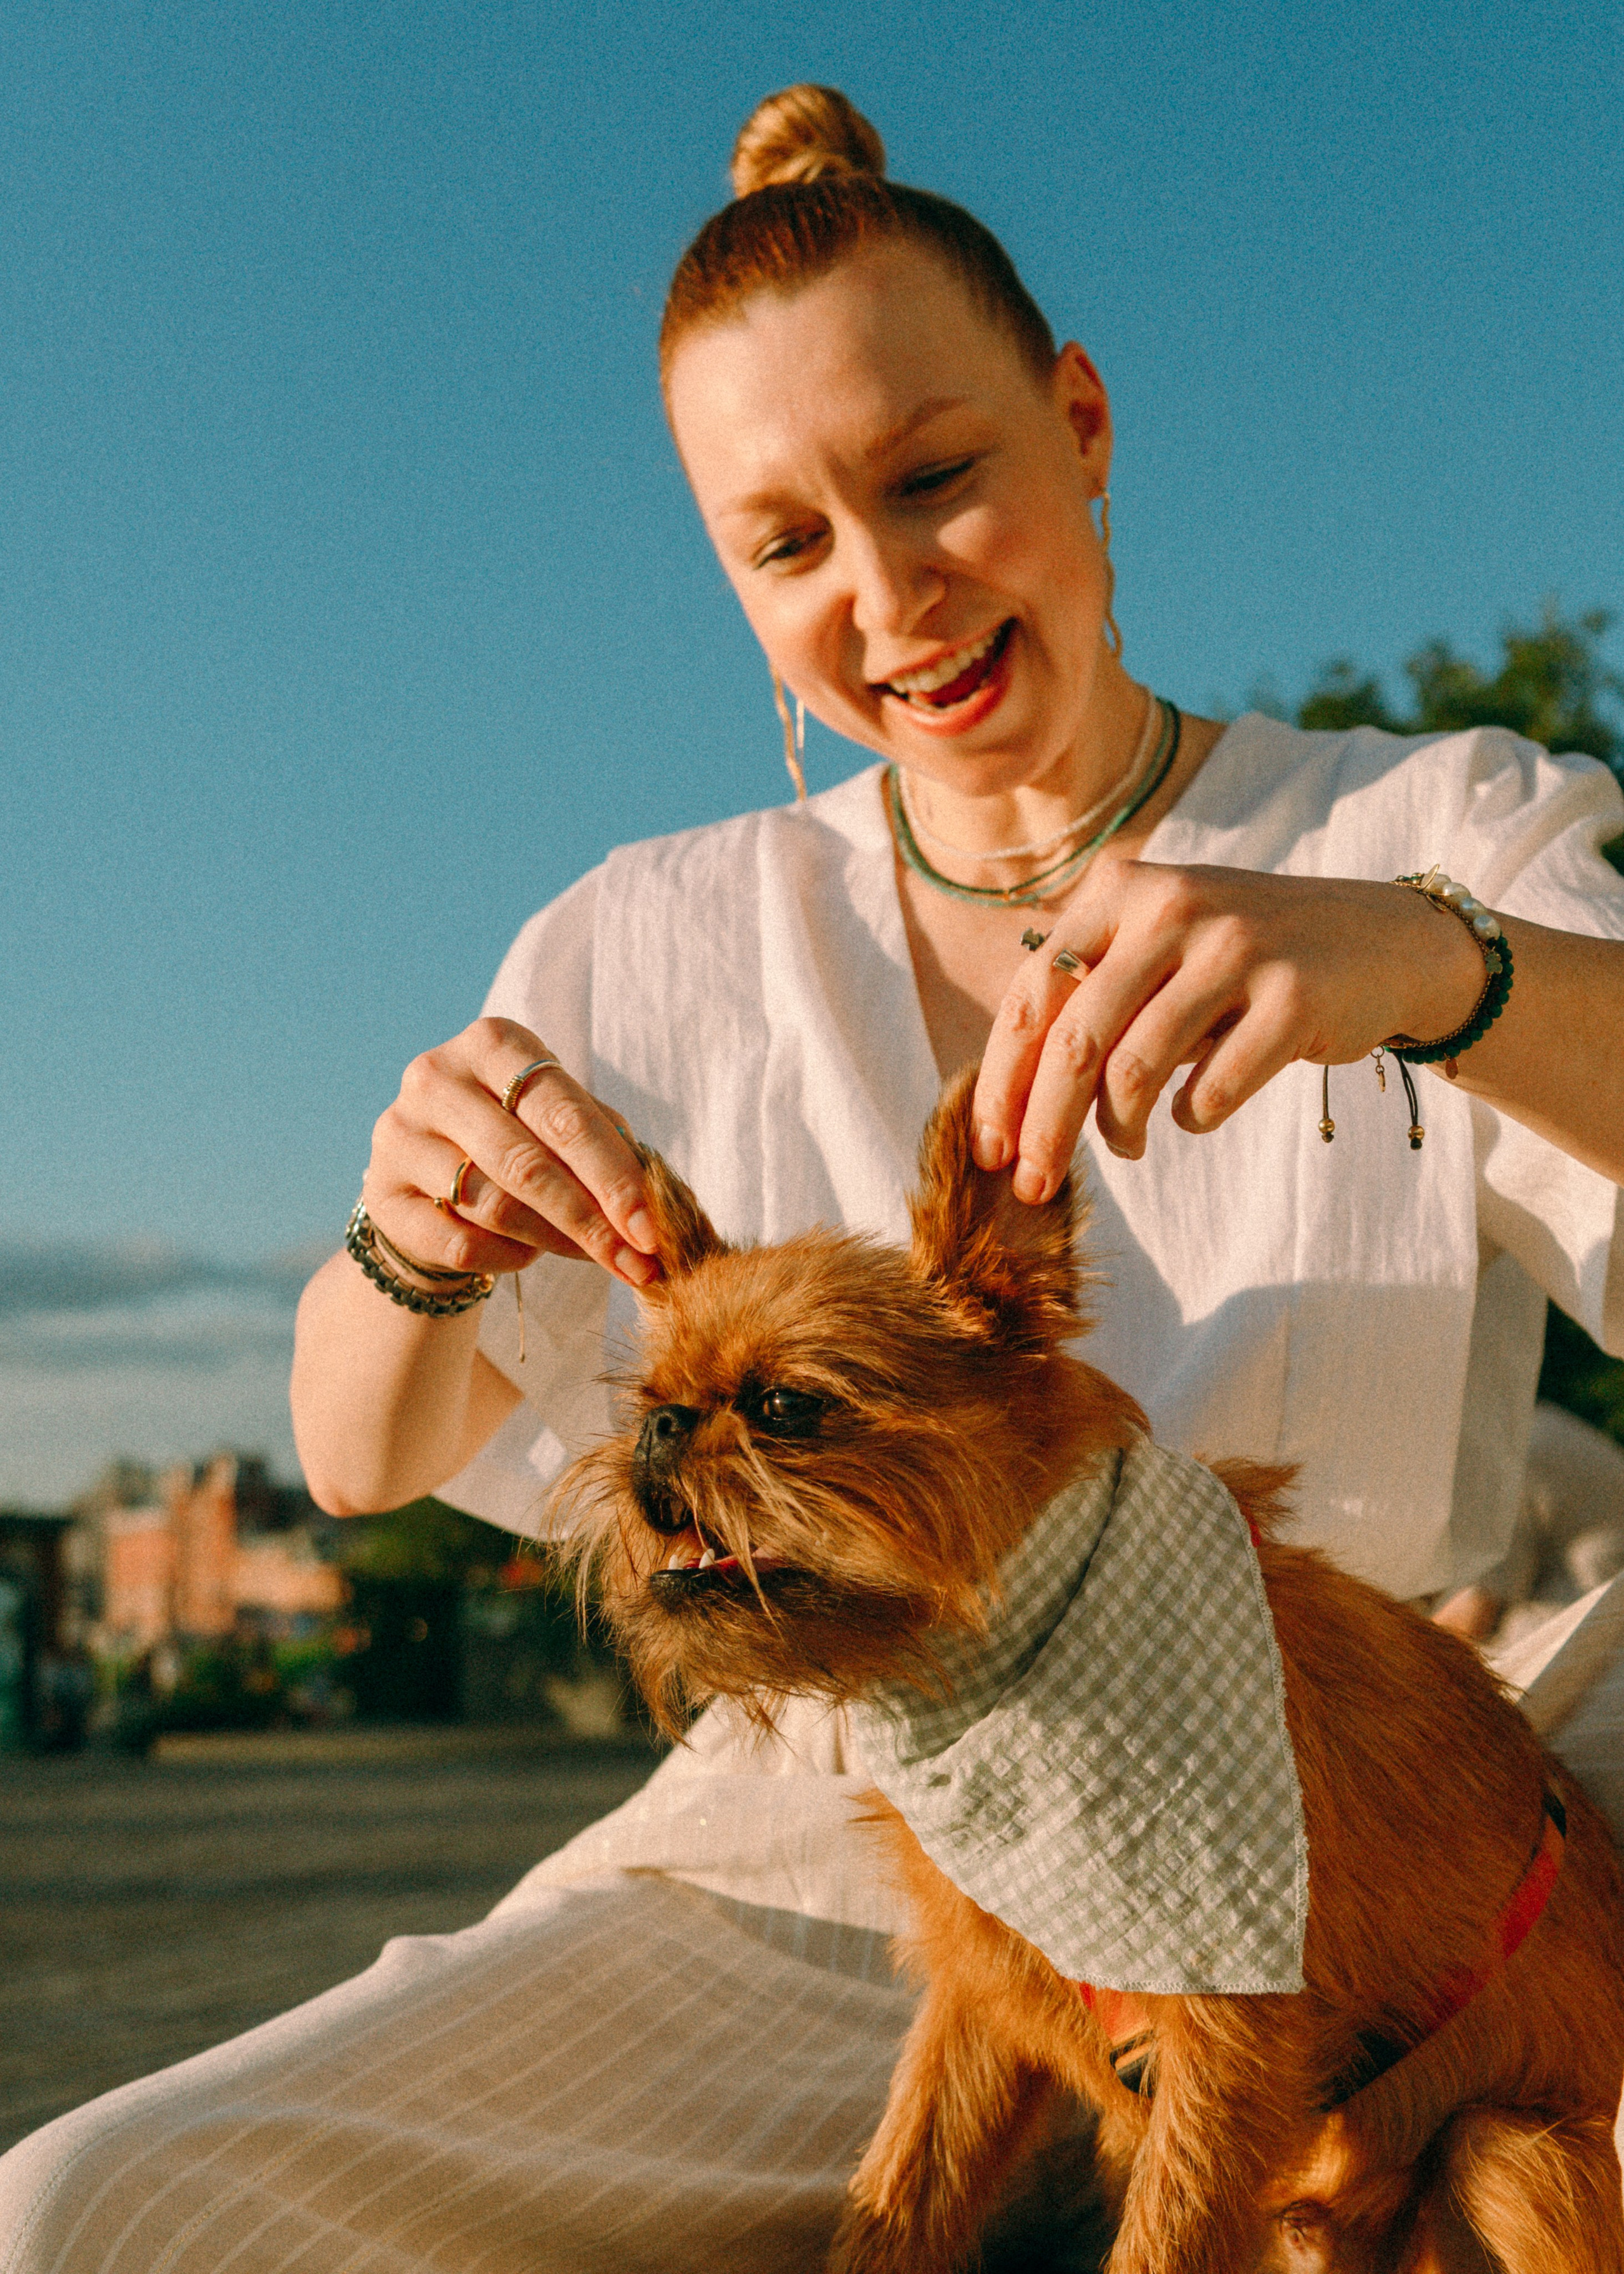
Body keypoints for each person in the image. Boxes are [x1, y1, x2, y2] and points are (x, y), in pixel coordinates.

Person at [3, 84, 1621, 2274]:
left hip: (1362, 1858)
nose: (888, 598)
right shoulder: (644, 937)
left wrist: (1442, 967)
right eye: (786, 545)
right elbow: (354, 1454)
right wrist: (411, 1233)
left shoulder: (1428, 833)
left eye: (939, 478)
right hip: (829, 1865)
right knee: (108, 2210)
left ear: (1083, 421)